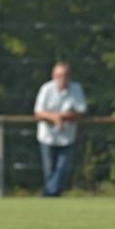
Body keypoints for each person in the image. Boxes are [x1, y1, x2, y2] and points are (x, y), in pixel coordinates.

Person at [34, 61, 87, 197]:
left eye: (65, 75)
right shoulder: (46, 89)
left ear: (69, 76)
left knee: (63, 169)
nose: (62, 79)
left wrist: (62, 116)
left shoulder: (76, 89)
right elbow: (38, 112)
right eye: (59, 75)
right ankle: (53, 195)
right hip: (47, 136)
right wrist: (55, 118)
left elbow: (81, 111)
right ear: (53, 76)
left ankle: (48, 194)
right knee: (49, 170)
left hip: (67, 137)